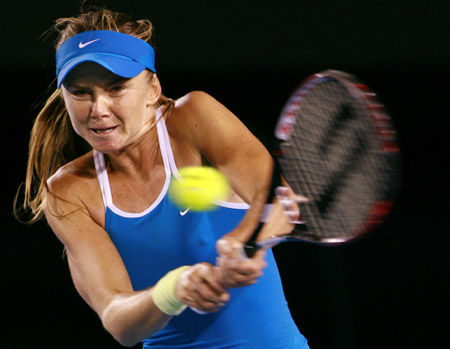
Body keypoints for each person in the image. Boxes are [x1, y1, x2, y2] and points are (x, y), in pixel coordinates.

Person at [17, 8, 309, 348]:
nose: (98, 109)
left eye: (116, 88)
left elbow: (278, 196)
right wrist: (174, 289)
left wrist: (244, 241)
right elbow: (117, 319)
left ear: (152, 87)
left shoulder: (193, 117)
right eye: (81, 92)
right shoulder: (68, 192)